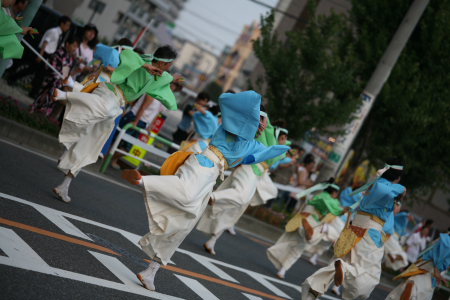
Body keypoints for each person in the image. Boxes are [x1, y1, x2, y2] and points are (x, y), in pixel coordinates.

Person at [121, 91, 289, 291]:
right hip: (203, 164)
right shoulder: (232, 125)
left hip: (211, 177)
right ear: (250, 118)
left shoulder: (252, 143)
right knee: (186, 195)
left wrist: (274, 139)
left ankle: (151, 271)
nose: (262, 125)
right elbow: (226, 99)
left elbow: (270, 152)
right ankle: (143, 181)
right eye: (260, 120)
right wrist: (255, 114)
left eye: (264, 122)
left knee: (185, 225)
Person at [51, 46, 178, 203]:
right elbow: (127, 53)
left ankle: (64, 186)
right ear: (165, 63)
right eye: (170, 64)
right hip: (110, 92)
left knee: (90, 146)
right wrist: (146, 66)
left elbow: (166, 85)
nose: (170, 68)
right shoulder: (143, 61)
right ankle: (67, 94)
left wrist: (174, 79)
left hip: (118, 104)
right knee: (105, 108)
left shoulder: (159, 76)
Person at [301, 159, 406, 300]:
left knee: (335, 264)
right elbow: (400, 192)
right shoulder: (386, 189)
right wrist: (399, 193)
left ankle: (312, 291)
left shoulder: (373, 185)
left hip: (354, 228)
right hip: (370, 233)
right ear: (397, 178)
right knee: (369, 274)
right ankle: (344, 269)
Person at [196, 113, 285, 255]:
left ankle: (212, 240)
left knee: (234, 210)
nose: (285, 140)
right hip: (249, 169)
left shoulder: (275, 138)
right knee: (240, 197)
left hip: (256, 175)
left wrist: (281, 144)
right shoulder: (266, 129)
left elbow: (278, 157)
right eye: (283, 137)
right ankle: (211, 197)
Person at [267, 178, 346, 279]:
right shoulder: (331, 200)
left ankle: (306, 231)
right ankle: (282, 270)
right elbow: (337, 211)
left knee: (291, 242)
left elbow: (307, 205)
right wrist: (345, 210)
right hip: (315, 222)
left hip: (305, 219)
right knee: (302, 247)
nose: (336, 195)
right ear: (333, 192)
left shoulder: (318, 196)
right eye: (336, 193)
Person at [7, 15, 72, 98]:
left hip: (47, 55)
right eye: (67, 25)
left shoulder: (60, 34)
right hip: (43, 53)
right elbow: (45, 42)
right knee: (38, 73)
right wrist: (40, 55)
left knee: (34, 71)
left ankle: (15, 79)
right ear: (62, 24)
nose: (68, 28)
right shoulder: (54, 31)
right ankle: (30, 90)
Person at [386, 233, 449, 300]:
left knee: (419, 288)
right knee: (417, 287)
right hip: (428, 269)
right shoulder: (447, 241)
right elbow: (438, 256)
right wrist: (437, 271)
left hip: (429, 270)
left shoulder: (446, 240)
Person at [31, 35, 79, 117]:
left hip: (60, 83)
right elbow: (54, 69)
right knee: (44, 100)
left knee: (51, 104)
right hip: (52, 82)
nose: (75, 49)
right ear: (67, 44)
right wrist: (61, 79)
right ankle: (34, 114)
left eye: (76, 47)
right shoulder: (59, 53)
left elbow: (67, 73)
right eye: (74, 46)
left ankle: (40, 118)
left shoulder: (71, 58)